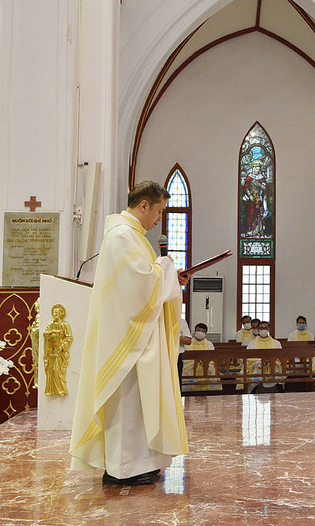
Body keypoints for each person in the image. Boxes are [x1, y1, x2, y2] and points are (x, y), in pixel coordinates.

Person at [70, 181, 189, 486]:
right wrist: (166, 269)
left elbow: (147, 281)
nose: (159, 219)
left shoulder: (133, 236)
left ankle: (138, 464)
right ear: (144, 205)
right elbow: (139, 285)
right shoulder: (122, 235)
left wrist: (171, 278)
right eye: (159, 211)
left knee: (137, 407)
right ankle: (122, 468)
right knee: (126, 406)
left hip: (137, 338)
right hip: (126, 341)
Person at [182, 323, 221, 393]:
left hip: (206, 365)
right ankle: (187, 393)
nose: (200, 332)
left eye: (203, 331)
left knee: (212, 370)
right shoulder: (189, 343)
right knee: (187, 371)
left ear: (205, 333)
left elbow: (212, 357)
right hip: (191, 365)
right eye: (198, 330)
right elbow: (186, 358)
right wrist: (196, 362)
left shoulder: (209, 344)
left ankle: (212, 393)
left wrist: (203, 362)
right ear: (194, 331)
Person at [246, 321, 282, 393]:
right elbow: (249, 358)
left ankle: (276, 388)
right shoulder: (252, 344)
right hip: (258, 364)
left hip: (272, 364)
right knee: (259, 364)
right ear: (258, 330)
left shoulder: (276, 343)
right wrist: (262, 361)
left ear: (268, 329)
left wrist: (271, 360)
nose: (263, 330)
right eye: (261, 328)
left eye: (265, 328)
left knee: (274, 364)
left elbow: (280, 357)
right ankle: (255, 387)